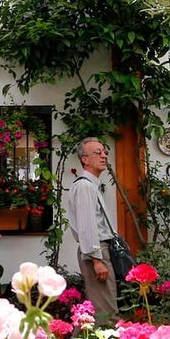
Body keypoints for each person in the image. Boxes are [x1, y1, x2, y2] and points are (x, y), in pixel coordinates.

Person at [64, 137, 119, 324]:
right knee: (106, 312)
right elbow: (87, 226)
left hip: (98, 250)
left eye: (104, 152)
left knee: (99, 306)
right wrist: (97, 260)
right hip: (96, 252)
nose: (104, 156)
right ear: (85, 160)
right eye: (98, 152)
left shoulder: (90, 185)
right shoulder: (85, 186)